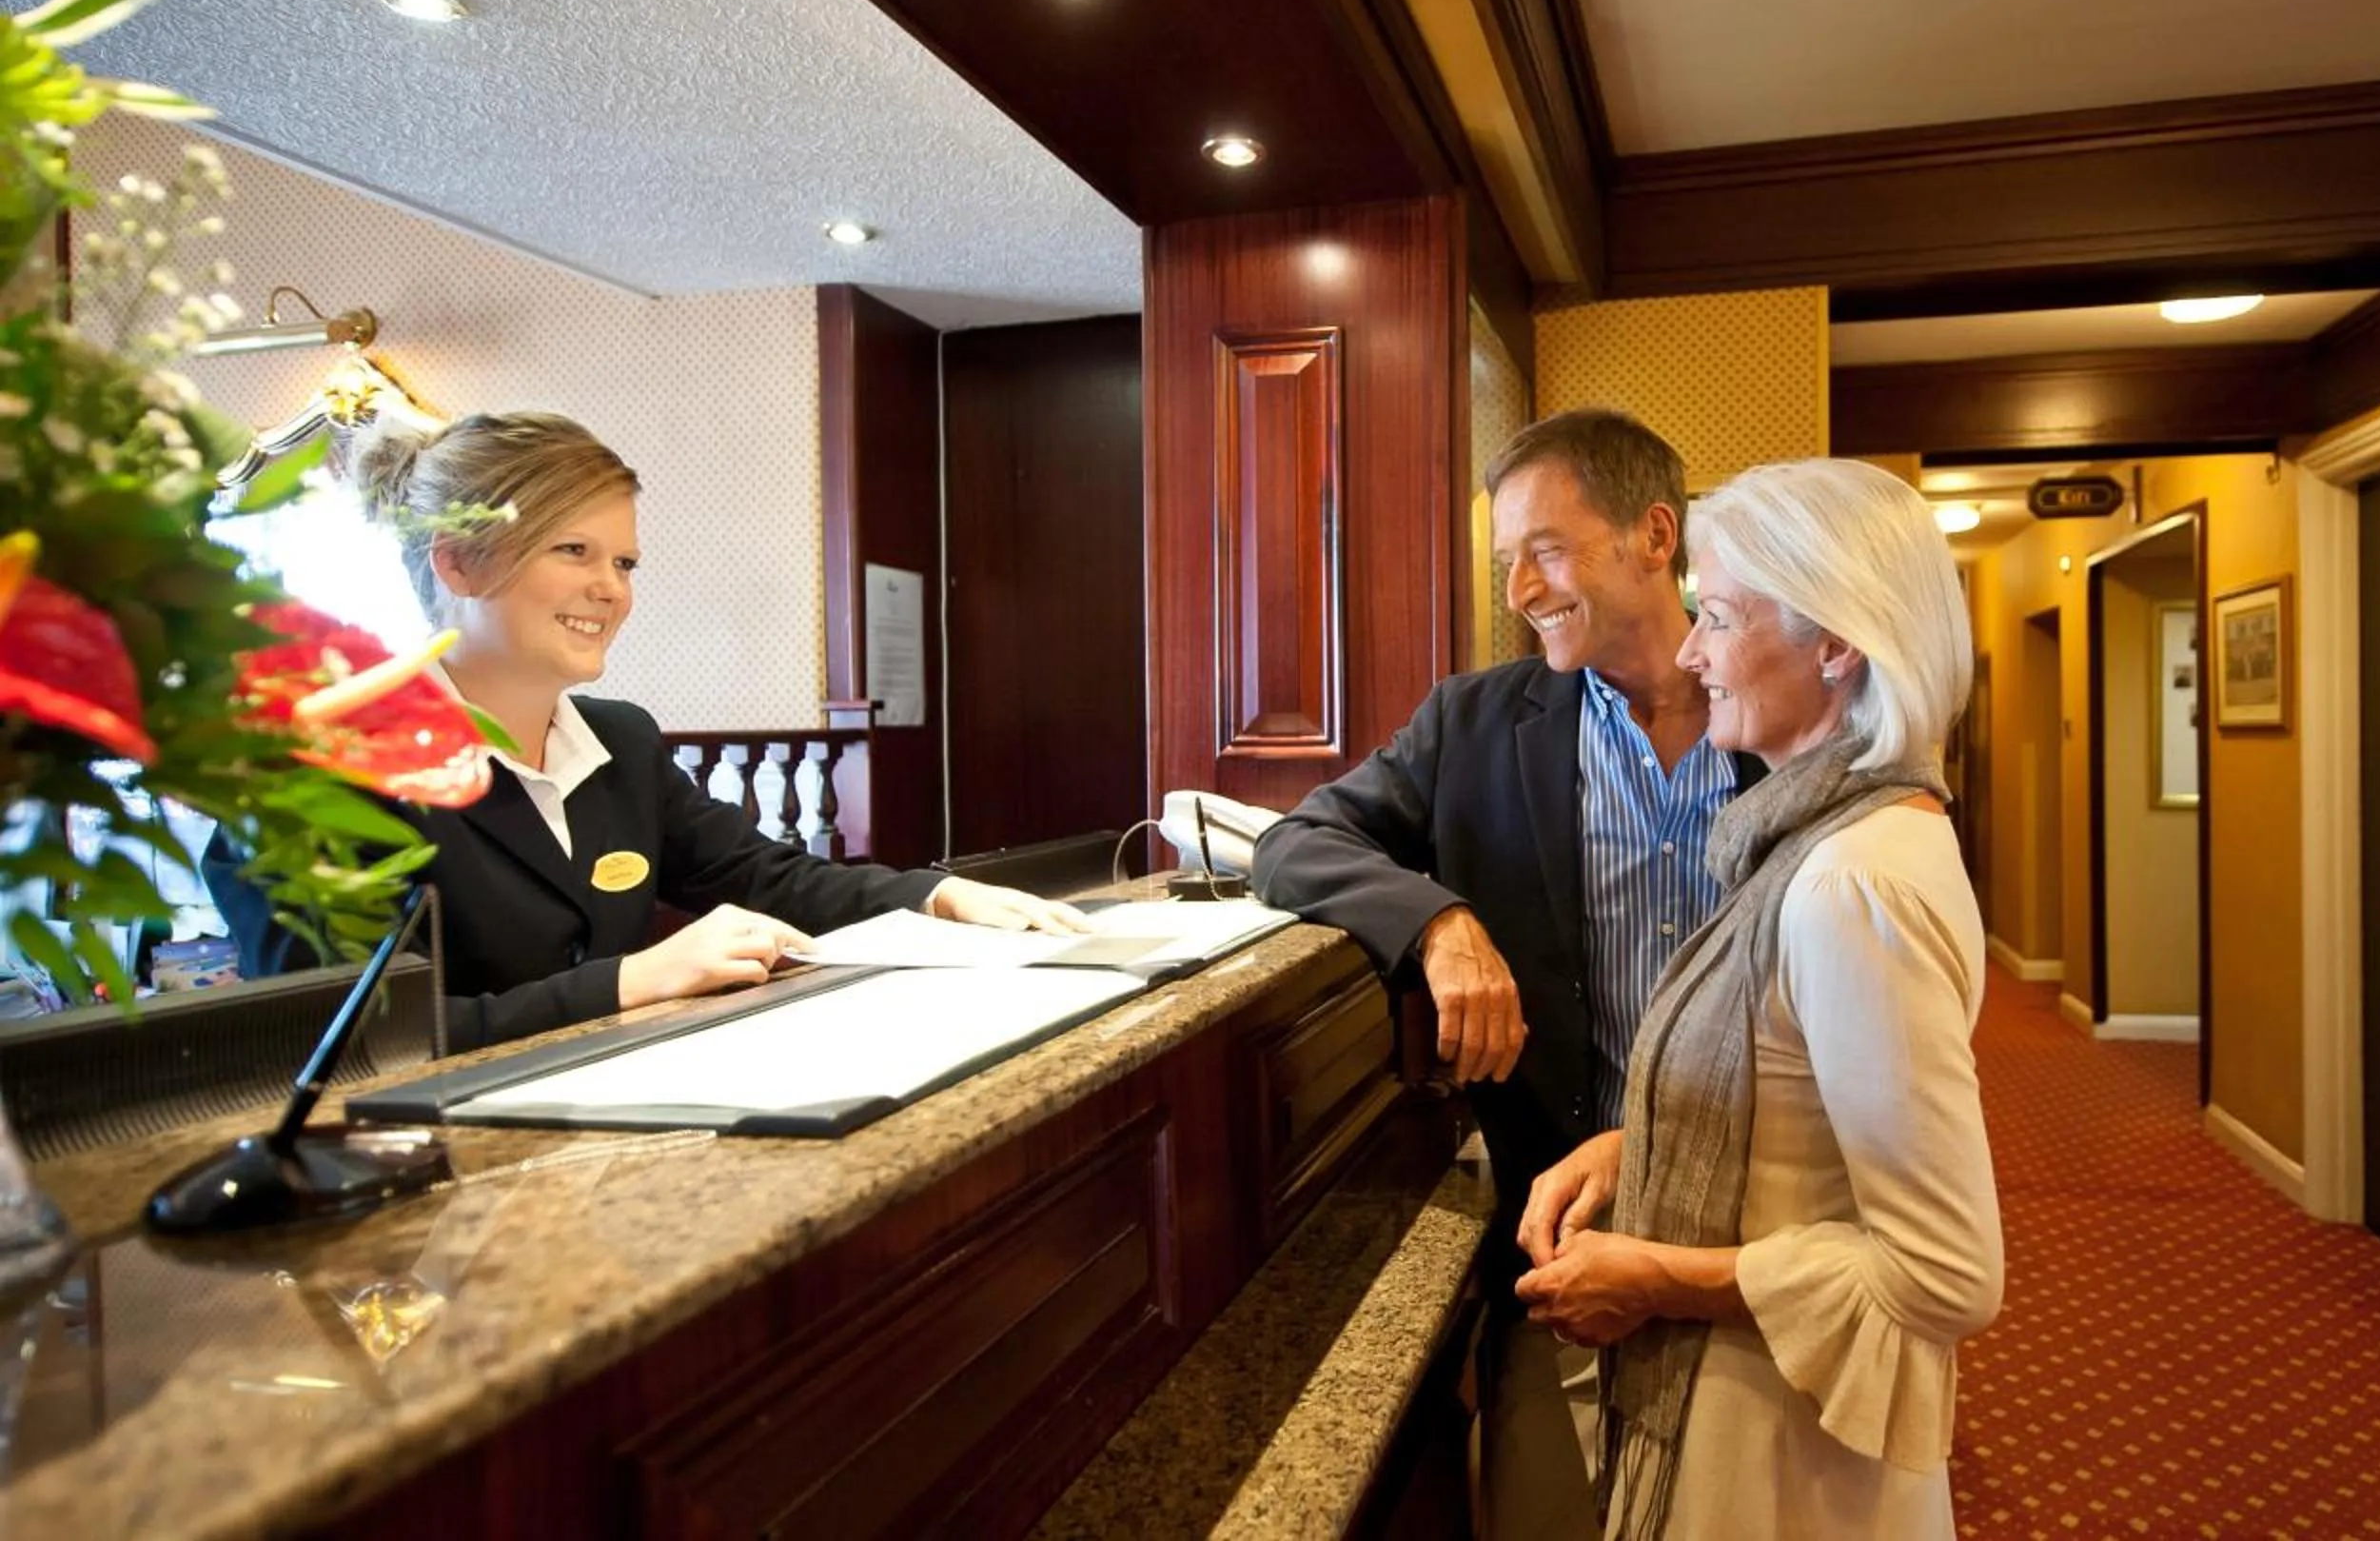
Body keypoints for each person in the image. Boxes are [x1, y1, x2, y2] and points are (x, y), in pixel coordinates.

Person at [1252, 409, 1760, 1537]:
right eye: (1506, 562)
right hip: (1556, 1237)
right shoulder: (1475, 720)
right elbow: (1294, 843)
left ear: (1655, 535)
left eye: (1546, 547)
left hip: (1751, 1221)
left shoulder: (1771, 708)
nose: (1522, 586)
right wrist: (1438, 920)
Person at [211, 411, 1079, 1051]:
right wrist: (635, 979)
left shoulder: (621, 742)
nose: (611, 590)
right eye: (573, 552)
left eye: (623, 562)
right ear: (458, 562)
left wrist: (937, 895)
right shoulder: (318, 774)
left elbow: (762, 876)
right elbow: (333, 1042)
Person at [1512, 458, 2003, 1540]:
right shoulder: (1828, 835)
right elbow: (1796, 1113)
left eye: (1719, 616)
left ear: (1836, 645)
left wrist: (1654, 1277)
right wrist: (1642, 1144)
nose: (1689, 651)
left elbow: (1947, 1272)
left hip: (1787, 1458)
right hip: (1758, 1406)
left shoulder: (1850, 879)